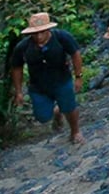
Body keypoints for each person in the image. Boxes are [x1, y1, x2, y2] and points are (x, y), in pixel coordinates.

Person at [9, 12, 84, 144]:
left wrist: (78, 76)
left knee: (70, 107)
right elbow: (16, 67)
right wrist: (19, 91)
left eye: (42, 32)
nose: (39, 36)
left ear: (48, 29)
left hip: (62, 80)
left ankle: (75, 131)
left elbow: (75, 54)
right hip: (38, 86)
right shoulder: (23, 47)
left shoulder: (62, 37)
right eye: (35, 33)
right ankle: (57, 112)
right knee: (42, 117)